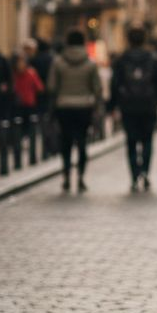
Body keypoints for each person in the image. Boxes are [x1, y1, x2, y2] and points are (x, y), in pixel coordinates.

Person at [109, 26, 157, 192]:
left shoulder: (121, 59)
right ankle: (146, 173)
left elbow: (115, 83)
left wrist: (112, 105)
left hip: (128, 105)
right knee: (148, 140)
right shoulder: (153, 58)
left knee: (131, 141)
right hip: (148, 104)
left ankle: (134, 175)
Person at [47, 30, 102, 192]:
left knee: (66, 142)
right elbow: (97, 88)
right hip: (84, 107)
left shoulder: (58, 63)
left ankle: (65, 176)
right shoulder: (90, 63)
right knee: (82, 142)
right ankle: (81, 177)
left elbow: (51, 86)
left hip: (64, 107)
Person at [11, 52, 45, 149]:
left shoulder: (31, 73)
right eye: (19, 62)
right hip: (18, 103)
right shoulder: (14, 75)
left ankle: (26, 140)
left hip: (29, 103)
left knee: (28, 124)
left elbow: (40, 87)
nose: (20, 65)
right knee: (18, 124)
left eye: (22, 62)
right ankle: (18, 140)